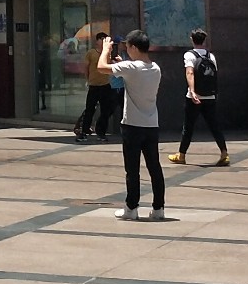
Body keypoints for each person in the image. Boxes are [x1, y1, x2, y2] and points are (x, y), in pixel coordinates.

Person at [102, 29, 165, 221]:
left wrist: (105, 49)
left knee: (132, 169)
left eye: (128, 47)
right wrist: (121, 65)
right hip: (151, 124)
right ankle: (158, 208)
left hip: (132, 125)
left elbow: (101, 67)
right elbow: (135, 73)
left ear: (135, 47)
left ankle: (131, 208)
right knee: (154, 167)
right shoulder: (155, 68)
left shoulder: (131, 67)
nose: (126, 50)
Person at [169, 29, 228, 167]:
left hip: (194, 97)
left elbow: (190, 73)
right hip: (210, 95)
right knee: (214, 126)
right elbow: (214, 76)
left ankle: (181, 155)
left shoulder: (190, 55)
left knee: (188, 126)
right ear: (204, 40)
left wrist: (193, 91)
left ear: (192, 39)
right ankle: (224, 153)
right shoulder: (211, 56)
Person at [75, 32, 115, 141]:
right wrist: (88, 80)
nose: (103, 41)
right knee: (89, 109)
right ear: (97, 41)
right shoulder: (91, 53)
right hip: (93, 86)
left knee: (105, 110)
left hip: (105, 85)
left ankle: (101, 132)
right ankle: (84, 131)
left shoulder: (108, 53)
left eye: (105, 39)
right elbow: (86, 68)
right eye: (101, 39)